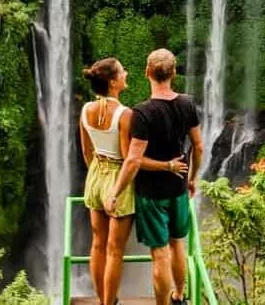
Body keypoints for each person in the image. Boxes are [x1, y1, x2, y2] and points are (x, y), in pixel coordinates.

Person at [80, 57, 188, 305]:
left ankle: (102, 299)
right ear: (113, 81)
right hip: (118, 178)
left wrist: (98, 175)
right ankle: (109, 302)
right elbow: (131, 158)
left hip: (95, 174)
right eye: (122, 71)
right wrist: (167, 166)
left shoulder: (86, 110)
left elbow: (87, 151)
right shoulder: (125, 114)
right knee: (114, 250)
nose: (126, 73)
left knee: (97, 244)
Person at [105, 49, 204, 305]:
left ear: (147, 72)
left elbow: (134, 160)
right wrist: (192, 178)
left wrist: (114, 193)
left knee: (159, 253)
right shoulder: (187, 103)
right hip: (180, 188)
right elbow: (199, 146)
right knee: (177, 244)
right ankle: (179, 297)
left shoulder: (142, 113)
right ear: (173, 73)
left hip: (151, 194)